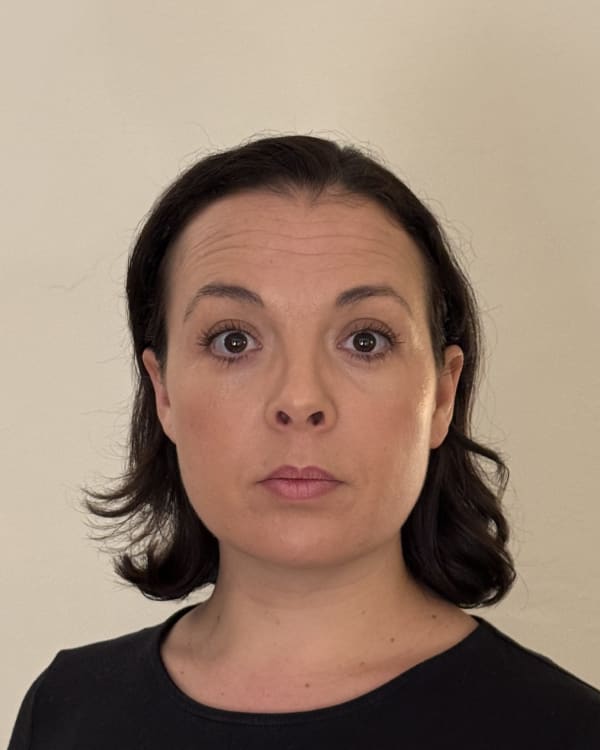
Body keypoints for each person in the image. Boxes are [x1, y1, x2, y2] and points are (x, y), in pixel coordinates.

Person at [9, 135, 600, 749]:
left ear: (442, 395)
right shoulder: (65, 713)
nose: (299, 399)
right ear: (163, 393)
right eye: (234, 341)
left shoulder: (568, 732)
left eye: (365, 341)